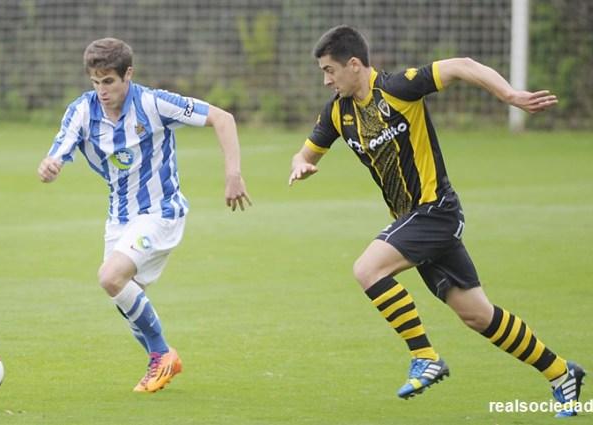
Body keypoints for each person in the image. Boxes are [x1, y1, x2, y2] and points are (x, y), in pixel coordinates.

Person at [289, 25, 584, 417]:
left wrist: (509, 95)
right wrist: (302, 164)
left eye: (329, 70)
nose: (326, 80)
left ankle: (424, 356)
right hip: (413, 222)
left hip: (435, 210)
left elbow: (462, 65)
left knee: (368, 269)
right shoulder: (338, 114)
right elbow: (306, 153)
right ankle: (561, 371)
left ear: (354, 65)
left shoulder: (399, 87)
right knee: (477, 314)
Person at [38, 38, 251, 393]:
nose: (101, 90)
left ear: (128, 75)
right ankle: (164, 358)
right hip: (119, 218)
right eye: (95, 82)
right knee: (122, 291)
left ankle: (161, 354)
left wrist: (233, 174)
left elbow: (222, 118)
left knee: (109, 277)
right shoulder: (81, 111)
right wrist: (51, 165)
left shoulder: (154, 103)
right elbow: (59, 150)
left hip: (160, 211)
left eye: (109, 81)